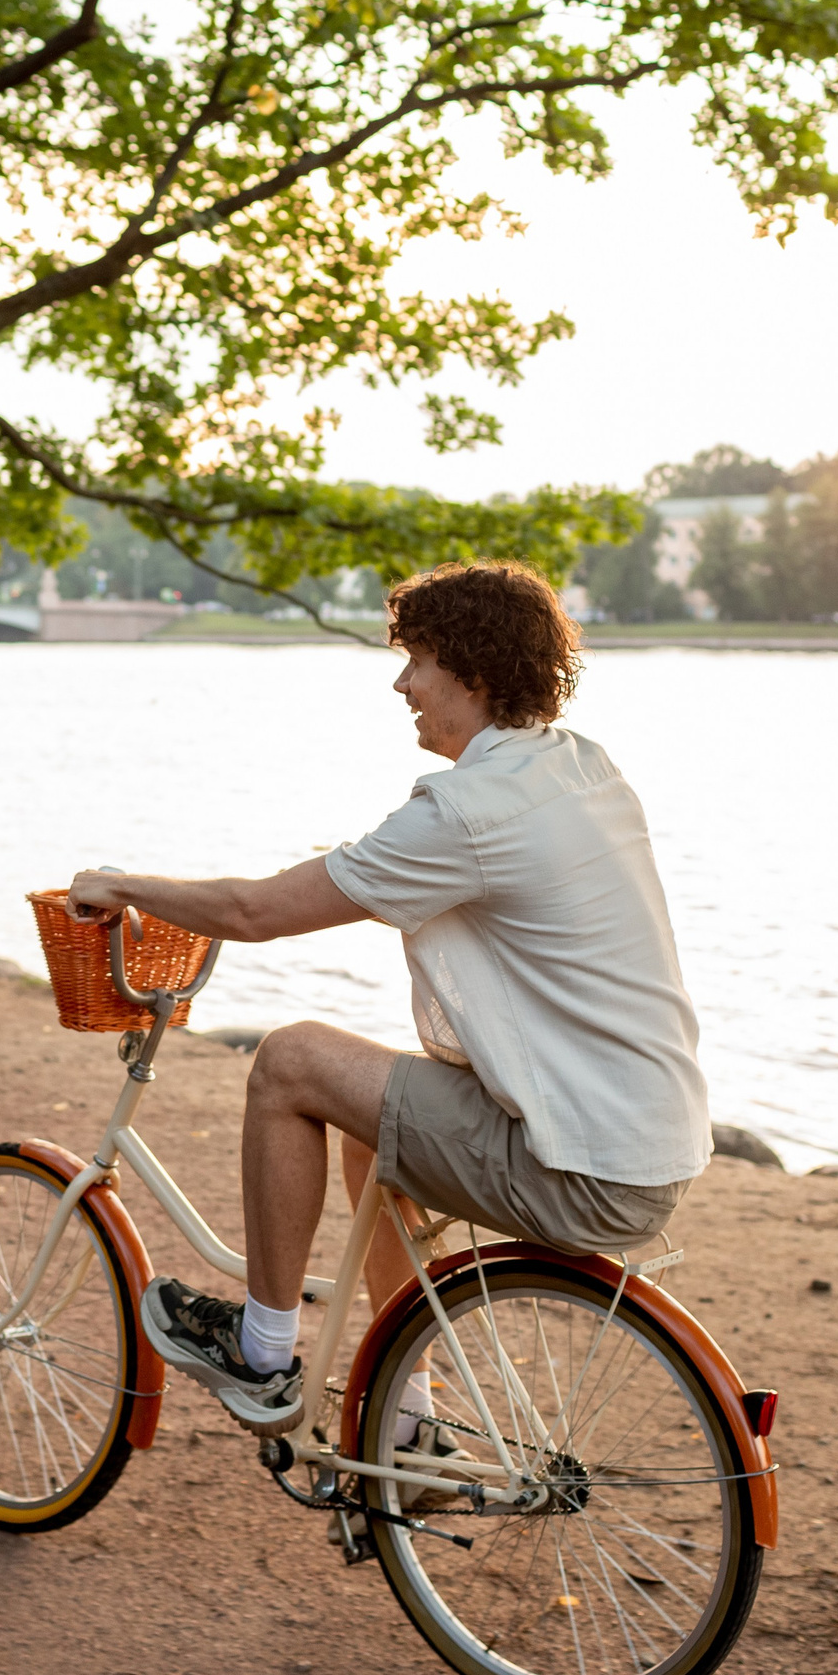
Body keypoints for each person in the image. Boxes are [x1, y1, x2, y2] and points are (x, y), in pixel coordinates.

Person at [65, 561, 711, 1443]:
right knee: (376, 1129)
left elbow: (256, 912)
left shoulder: (467, 810)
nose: (401, 682)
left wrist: (121, 883)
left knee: (291, 1059)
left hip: (579, 1166)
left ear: (474, 672)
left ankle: (262, 1357)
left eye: (417, 660)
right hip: (650, 1143)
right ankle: (408, 1420)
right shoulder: (582, 767)